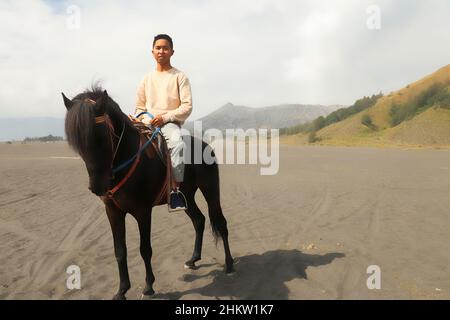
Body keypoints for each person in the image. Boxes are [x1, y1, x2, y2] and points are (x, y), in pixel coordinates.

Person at [134, 34, 192, 212]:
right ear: (152, 52)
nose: (161, 51)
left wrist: (165, 117)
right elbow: (138, 107)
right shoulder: (146, 78)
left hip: (169, 123)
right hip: (147, 121)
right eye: (158, 48)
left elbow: (187, 107)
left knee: (176, 144)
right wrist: (144, 119)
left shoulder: (179, 76)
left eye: (165, 48)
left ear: (172, 52)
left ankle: (175, 190)